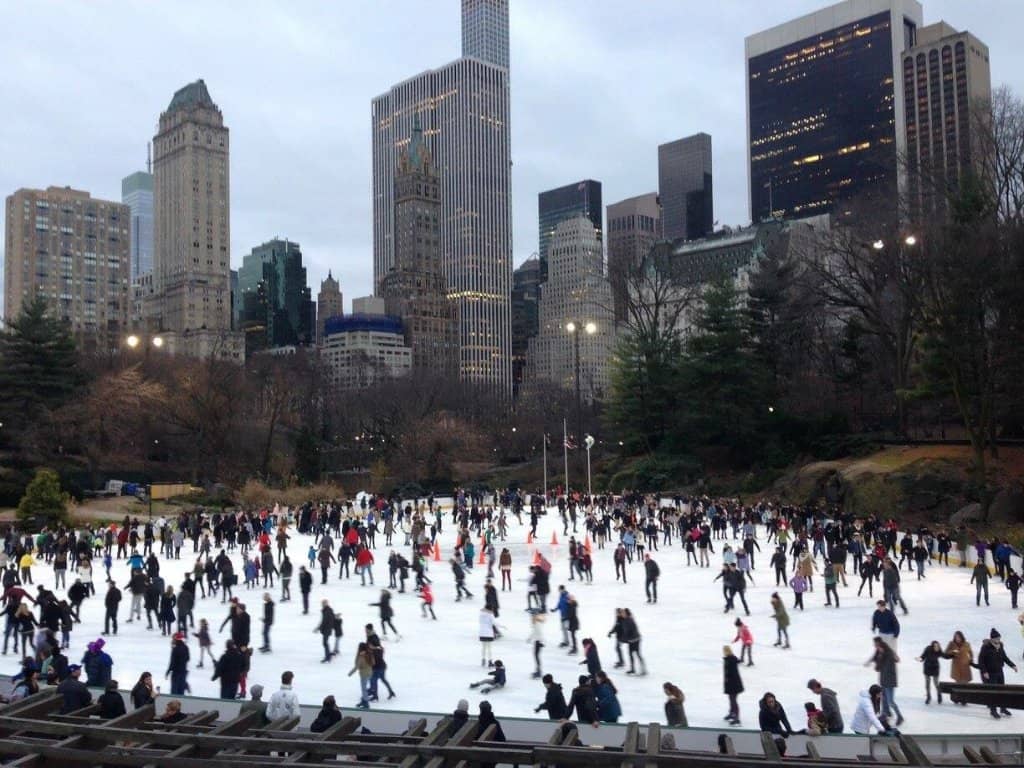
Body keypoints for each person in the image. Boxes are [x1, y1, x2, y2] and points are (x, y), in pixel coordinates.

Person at [977, 628, 1018, 719]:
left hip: (999, 672)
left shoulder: (1000, 646)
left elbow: (1005, 657)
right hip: (990, 674)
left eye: (999, 638)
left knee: (1002, 691)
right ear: (992, 639)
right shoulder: (986, 647)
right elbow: (981, 661)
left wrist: (1013, 665)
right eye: (996, 638)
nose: (998, 640)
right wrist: (984, 672)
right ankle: (993, 710)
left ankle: (1003, 708)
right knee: (993, 693)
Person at [865, 636, 903, 726]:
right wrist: (870, 662)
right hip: (883, 679)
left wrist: (878, 663)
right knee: (884, 698)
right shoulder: (880, 651)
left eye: (875, 644)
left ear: (879, 644)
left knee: (890, 701)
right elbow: (875, 658)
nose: (874, 646)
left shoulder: (888, 653)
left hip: (890, 680)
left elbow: (882, 664)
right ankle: (886, 714)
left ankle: (900, 717)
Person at [944, 630, 973, 695]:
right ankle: (958, 697)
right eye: (956, 637)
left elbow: (970, 653)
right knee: (958, 683)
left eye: (958, 637)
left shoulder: (967, 644)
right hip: (956, 667)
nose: (957, 638)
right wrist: (953, 651)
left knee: (966, 683)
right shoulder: (951, 643)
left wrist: (971, 659)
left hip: (965, 666)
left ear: (961, 637)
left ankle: (965, 697)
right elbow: (945, 653)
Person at [348, 641, 373, 709]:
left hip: (364, 674)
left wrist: (350, 673)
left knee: (364, 689)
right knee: (364, 688)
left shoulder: (361, 656)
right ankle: (363, 701)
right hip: (369, 673)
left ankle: (366, 703)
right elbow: (373, 662)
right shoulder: (369, 653)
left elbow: (357, 666)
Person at [722, 645, 743, 726]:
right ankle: (731, 713)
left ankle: (737, 718)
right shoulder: (728, 659)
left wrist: (730, 684)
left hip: (734, 685)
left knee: (733, 701)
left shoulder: (731, 660)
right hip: (731, 684)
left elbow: (733, 674)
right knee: (731, 700)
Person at [528, 610, 545, 678]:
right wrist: (529, 638)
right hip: (537, 641)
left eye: (532, 616)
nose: (531, 617)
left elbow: (540, 633)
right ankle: (538, 670)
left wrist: (541, 642)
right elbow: (533, 632)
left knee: (536, 656)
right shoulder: (535, 623)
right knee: (536, 656)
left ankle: (539, 672)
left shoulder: (537, 624)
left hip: (539, 642)